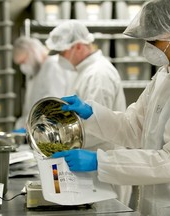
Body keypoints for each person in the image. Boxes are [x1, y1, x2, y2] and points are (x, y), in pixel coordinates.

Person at [52, 0, 170, 215]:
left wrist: (99, 161)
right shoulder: (164, 76)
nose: (148, 47)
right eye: (146, 40)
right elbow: (134, 128)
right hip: (152, 203)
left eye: (154, 39)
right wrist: (91, 113)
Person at [45, 20, 131, 205]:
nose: (60, 57)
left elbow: (97, 127)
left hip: (103, 168)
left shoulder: (98, 75)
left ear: (78, 47)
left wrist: (57, 142)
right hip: (91, 167)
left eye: (62, 51)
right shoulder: (85, 71)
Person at [13, 36, 74, 130]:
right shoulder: (37, 71)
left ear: (33, 52)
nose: (23, 66)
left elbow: (54, 102)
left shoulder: (52, 65)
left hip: (53, 128)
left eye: (23, 61)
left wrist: (34, 125)